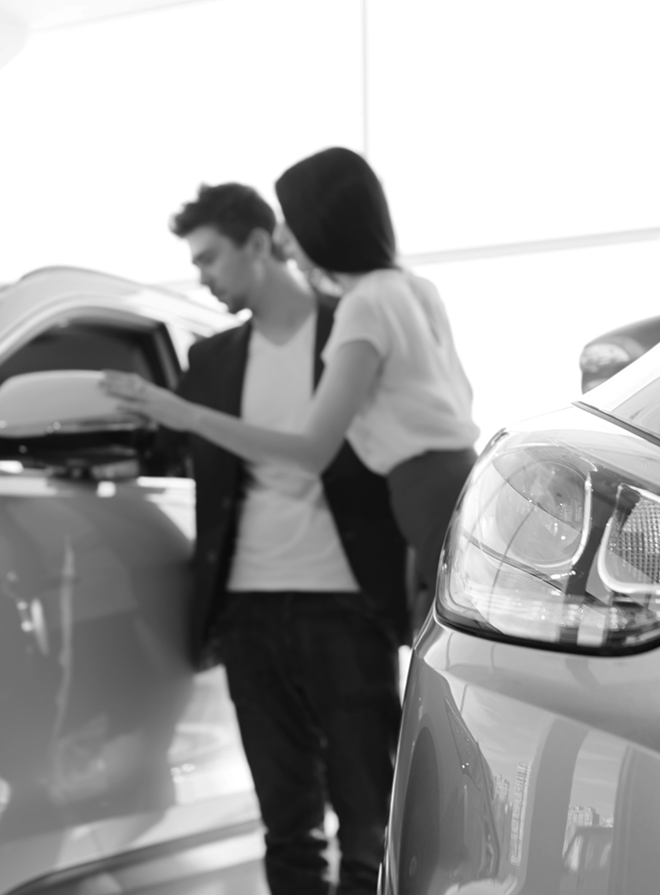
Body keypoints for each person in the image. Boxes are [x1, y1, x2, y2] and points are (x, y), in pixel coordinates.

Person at [139, 182, 408, 895]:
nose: (202, 275)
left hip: (348, 604)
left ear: (259, 244)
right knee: (287, 828)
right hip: (248, 611)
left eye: (209, 258)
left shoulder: (353, 327)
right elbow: (180, 459)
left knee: (371, 826)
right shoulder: (212, 359)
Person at [104, 148, 480, 617]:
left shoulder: (363, 306)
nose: (282, 238)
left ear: (323, 222)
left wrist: (185, 415)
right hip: (462, 479)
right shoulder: (414, 288)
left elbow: (310, 451)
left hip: (422, 493)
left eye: (290, 220)